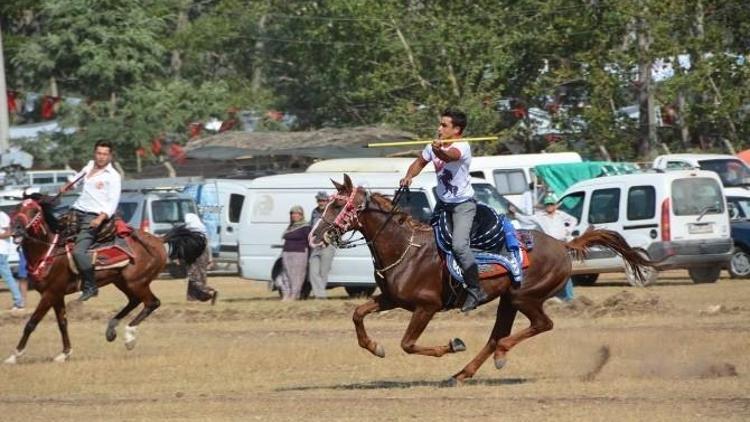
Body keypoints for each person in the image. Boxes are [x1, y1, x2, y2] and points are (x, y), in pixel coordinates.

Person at [400, 108, 524, 312]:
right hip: (442, 204)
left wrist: (437, 149)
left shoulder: (462, 146)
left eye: (444, 125)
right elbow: (420, 162)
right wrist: (409, 176)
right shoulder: (433, 147)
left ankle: (475, 289)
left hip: (463, 206)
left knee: (459, 245)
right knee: (427, 243)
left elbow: (448, 157)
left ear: (457, 130)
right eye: (440, 124)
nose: (439, 128)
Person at [61, 140, 122, 301]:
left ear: (110, 156)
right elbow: (76, 181)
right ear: (94, 153)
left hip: (94, 216)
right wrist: (67, 186)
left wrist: (100, 218)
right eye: (98, 153)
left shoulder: (113, 176)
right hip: (76, 211)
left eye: (104, 154)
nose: (101, 157)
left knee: (78, 251)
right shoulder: (88, 167)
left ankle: (90, 285)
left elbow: (112, 203)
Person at [509, 193, 577, 301]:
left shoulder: (560, 214)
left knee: (564, 271)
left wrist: (568, 230)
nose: (549, 206)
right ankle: (559, 296)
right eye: (547, 204)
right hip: (550, 247)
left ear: (555, 205)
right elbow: (526, 219)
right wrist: (515, 214)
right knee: (553, 271)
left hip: (562, 245)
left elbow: (573, 220)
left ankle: (568, 297)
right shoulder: (540, 216)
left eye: (551, 204)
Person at [184, 213, 218, 304]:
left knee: (193, 277)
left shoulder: (190, 231)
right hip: (204, 254)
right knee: (201, 276)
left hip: (195, 255)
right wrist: (210, 258)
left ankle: (210, 291)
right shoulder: (202, 229)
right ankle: (192, 298)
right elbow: (208, 244)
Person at [279, 205, 311, 300]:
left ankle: (294, 295)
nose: (294, 215)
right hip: (286, 252)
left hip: (299, 253)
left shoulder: (306, 227)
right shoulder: (290, 227)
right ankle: (286, 294)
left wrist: (309, 255)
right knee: (285, 275)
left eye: (297, 213)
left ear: (301, 215)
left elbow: (309, 241)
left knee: (296, 276)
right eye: (292, 213)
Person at [308, 192, 336, 299]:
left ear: (327, 201)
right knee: (313, 272)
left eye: (323, 200)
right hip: (315, 246)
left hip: (327, 246)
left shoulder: (332, 213)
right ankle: (320, 294)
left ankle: (319, 295)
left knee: (323, 272)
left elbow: (336, 229)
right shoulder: (314, 212)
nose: (321, 202)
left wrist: (328, 241)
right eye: (319, 200)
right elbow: (311, 227)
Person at [0, 210, 24, 311]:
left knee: (7, 277)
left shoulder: (1, 215)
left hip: (1, 250)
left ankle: (18, 302)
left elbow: (9, 232)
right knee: (8, 276)